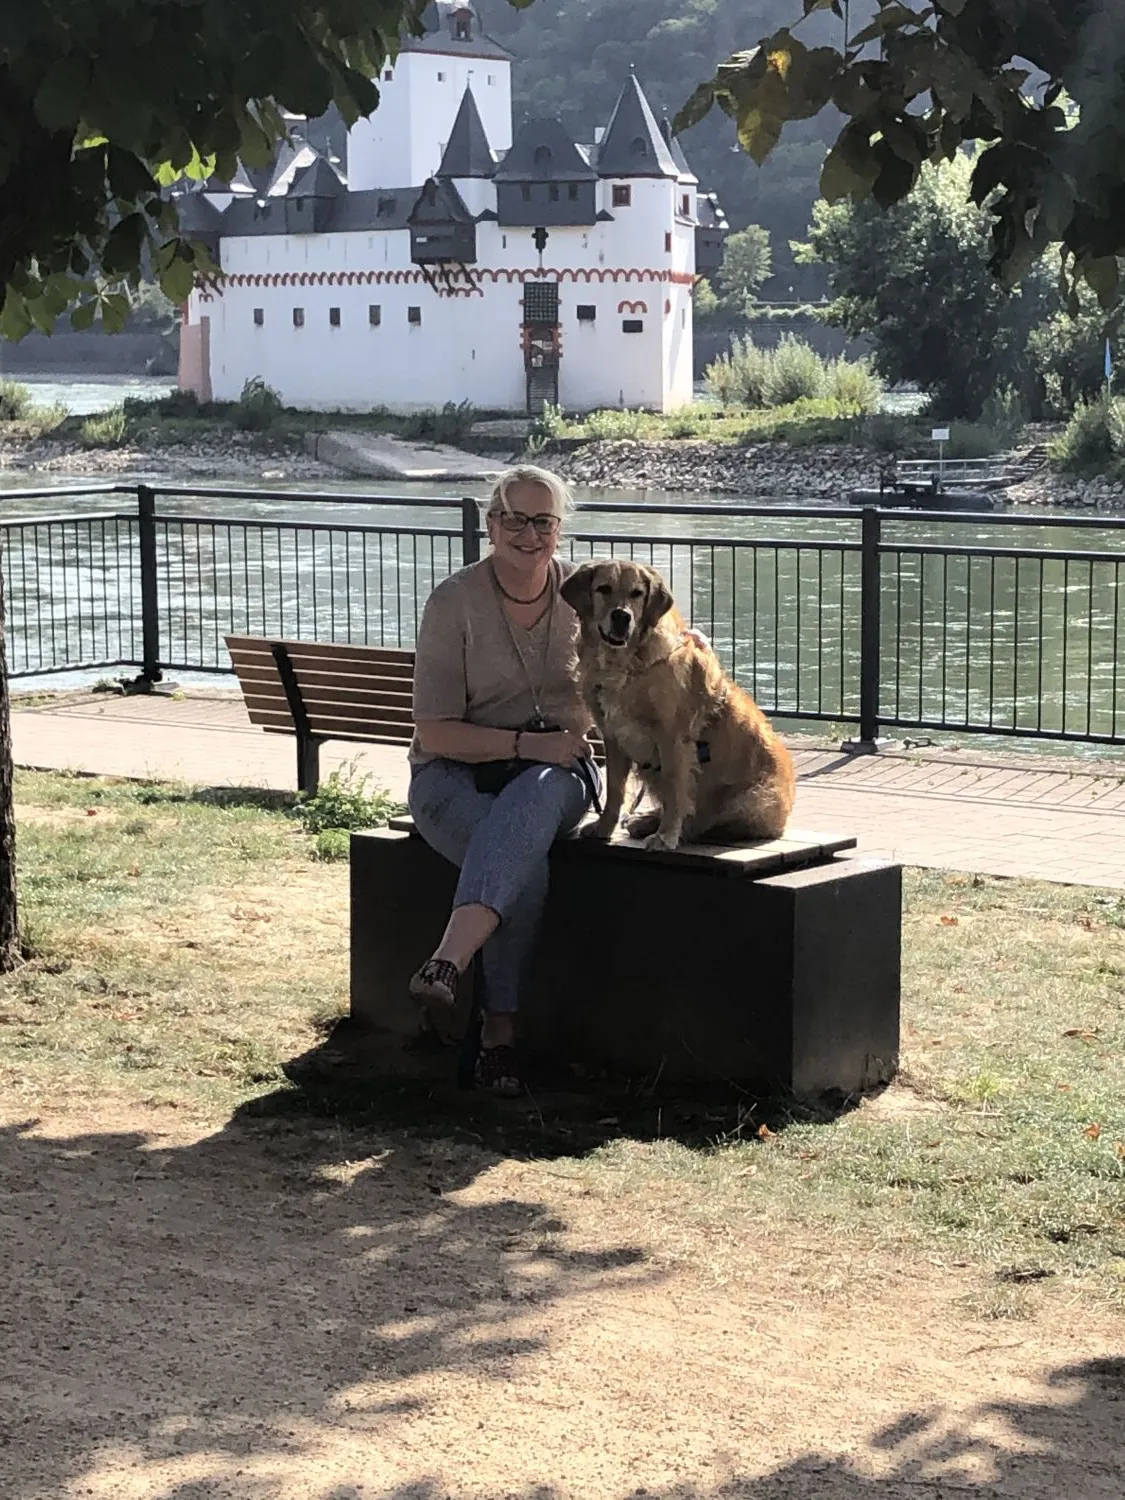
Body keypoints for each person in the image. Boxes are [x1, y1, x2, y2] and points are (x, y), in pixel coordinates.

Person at [408, 464, 707, 1096]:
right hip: (451, 777)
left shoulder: (590, 591)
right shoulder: (453, 602)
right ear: (491, 524)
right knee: (526, 858)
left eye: (542, 521)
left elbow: (662, 637)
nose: (528, 533)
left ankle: (449, 962)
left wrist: (686, 650)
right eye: (514, 518)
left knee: (535, 800)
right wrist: (521, 741)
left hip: (556, 773)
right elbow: (433, 734)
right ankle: (499, 1039)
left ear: (559, 528)